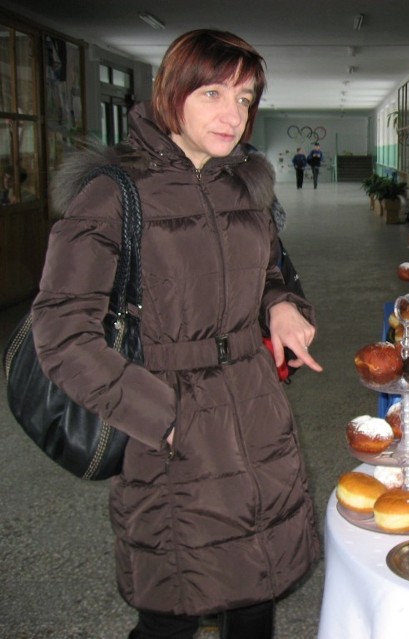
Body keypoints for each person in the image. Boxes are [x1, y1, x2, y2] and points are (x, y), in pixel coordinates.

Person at [30, 29, 322, 639]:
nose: (232, 114)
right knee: (172, 607)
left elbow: (271, 272)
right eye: (213, 93)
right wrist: (160, 415)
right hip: (168, 418)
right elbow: (60, 330)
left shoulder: (247, 185)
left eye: (244, 99)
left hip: (255, 406)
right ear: (172, 93)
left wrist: (281, 307)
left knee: (256, 594)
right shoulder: (112, 194)